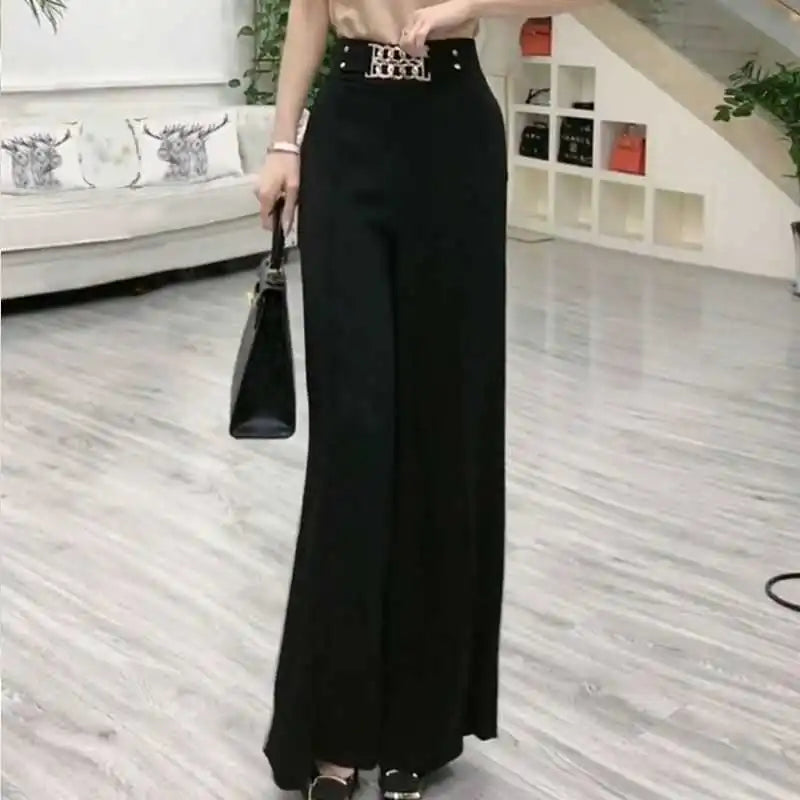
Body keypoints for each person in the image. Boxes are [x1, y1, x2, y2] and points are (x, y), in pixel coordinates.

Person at [255, 1, 598, 798]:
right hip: (350, 131)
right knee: (354, 433)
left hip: (452, 134)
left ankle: (421, 725)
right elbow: (307, 11)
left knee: (443, 430)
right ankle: (334, 729)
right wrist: (283, 141)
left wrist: (465, 7)